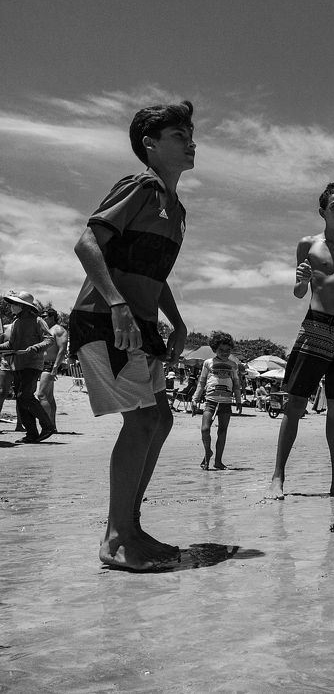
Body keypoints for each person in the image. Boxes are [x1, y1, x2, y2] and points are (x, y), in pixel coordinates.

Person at [68, 100, 194, 570]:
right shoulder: (141, 185)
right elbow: (87, 243)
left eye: (190, 133)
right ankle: (116, 539)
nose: (190, 141)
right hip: (106, 317)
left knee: (160, 420)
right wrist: (117, 302)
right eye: (179, 135)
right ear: (150, 144)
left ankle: (131, 525)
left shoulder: (177, 208)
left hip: (141, 324)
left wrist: (176, 322)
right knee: (140, 422)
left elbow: (153, 276)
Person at [265, 181, 334, 499]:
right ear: (322, 212)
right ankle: (277, 478)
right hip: (315, 328)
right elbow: (299, 291)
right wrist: (300, 281)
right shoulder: (308, 245)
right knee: (295, 405)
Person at [0, 291, 56, 442]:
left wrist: (36, 348)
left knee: (24, 396)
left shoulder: (37, 321)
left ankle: (48, 426)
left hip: (32, 364)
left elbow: (49, 340)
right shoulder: (16, 322)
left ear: (23, 306)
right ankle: (32, 434)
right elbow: (11, 345)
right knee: (21, 400)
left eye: (14, 304)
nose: (11, 307)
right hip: (17, 365)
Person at [191, 331, 241, 470]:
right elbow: (201, 383)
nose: (225, 353)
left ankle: (218, 461)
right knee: (205, 430)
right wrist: (195, 399)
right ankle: (208, 451)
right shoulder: (208, 363)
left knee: (222, 432)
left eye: (228, 350)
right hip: (210, 402)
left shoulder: (233, 364)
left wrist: (238, 399)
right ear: (214, 349)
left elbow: (236, 384)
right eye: (221, 350)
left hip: (226, 403)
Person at [38, 307, 68, 433]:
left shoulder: (59, 329)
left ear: (51, 317)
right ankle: (52, 426)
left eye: (44, 316)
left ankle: (47, 427)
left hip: (50, 365)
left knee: (42, 395)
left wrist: (55, 367)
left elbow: (62, 350)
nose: (43, 318)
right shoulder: (47, 329)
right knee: (49, 397)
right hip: (43, 364)